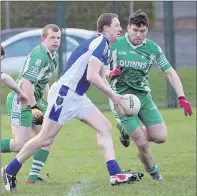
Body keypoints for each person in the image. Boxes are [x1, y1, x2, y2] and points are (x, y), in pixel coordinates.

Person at [2, 13, 144, 192]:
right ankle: (10, 170)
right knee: (45, 138)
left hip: (77, 96)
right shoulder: (99, 43)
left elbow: (100, 75)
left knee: (105, 128)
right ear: (106, 28)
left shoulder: (104, 46)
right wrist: (114, 96)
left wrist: (113, 96)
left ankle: (115, 173)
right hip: (65, 94)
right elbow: (91, 76)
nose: (121, 29)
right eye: (117, 25)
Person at [105, 10, 193, 181]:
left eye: (142, 31)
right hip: (121, 100)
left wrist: (181, 96)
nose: (138, 34)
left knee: (160, 137)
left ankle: (126, 131)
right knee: (142, 143)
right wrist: (109, 73)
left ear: (147, 30)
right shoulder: (114, 45)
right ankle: (155, 174)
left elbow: (169, 72)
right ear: (128, 28)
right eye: (135, 30)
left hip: (144, 97)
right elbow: (99, 69)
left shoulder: (152, 48)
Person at [1, 24, 61, 185]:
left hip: (34, 102)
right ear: (43, 38)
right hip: (21, 102)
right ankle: (5, 172)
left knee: (47, 137)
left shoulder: (53, 57)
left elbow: (44, 80)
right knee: (20, 144)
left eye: (58, 38)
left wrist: (48, 102)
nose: (56, 41)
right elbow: (27, 82)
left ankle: (32, 177)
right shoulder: (39, 55)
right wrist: (34, 107)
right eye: (52, 38)